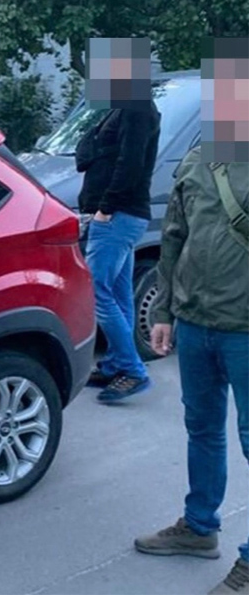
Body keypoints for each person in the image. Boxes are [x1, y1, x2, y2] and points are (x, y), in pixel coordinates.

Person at [132, 145, 248, 594]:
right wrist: (162, 310)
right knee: (202, 428)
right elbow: (174, 236)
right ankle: (199, 528)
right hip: (197, 322)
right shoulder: (200, 158)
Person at [79, 39, 161, 403]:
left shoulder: (137, 107)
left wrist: (105, 208)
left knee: (97, 290)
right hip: (119, 215)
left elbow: (130, 164)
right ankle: (115, 363)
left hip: (118, 216)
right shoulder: (123, 106)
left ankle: (132, 369)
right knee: (118, 293)